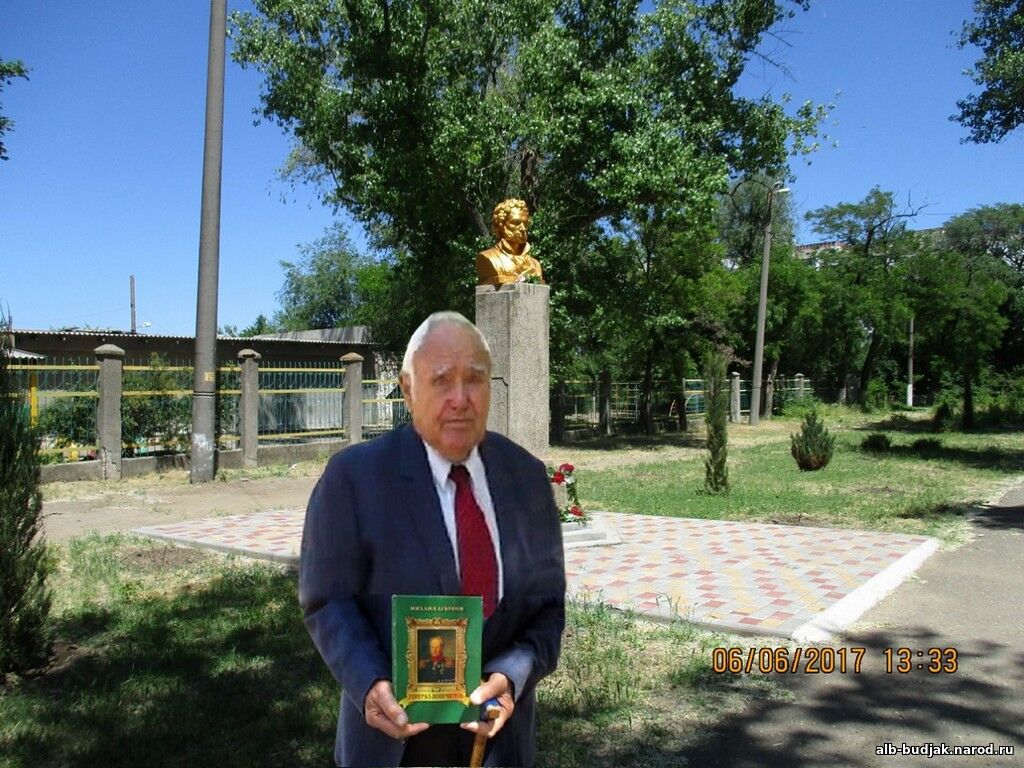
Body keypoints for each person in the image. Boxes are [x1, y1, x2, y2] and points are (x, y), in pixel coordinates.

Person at [300, 311, 565, 767]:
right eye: (441, 380)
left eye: (474, 379)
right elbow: (327, 599)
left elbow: (548, 609)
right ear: (408, 389)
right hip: (391, 745)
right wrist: (368, 683)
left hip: (498, 745)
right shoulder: (354, 478)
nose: (460, 399)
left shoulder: (527, 478)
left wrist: (512, 675)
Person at [476, 199, 545, 286]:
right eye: (515, 223)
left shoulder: (535, 264)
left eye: (525, 223)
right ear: (501, 226)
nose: (523, 228)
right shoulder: (488, 258)